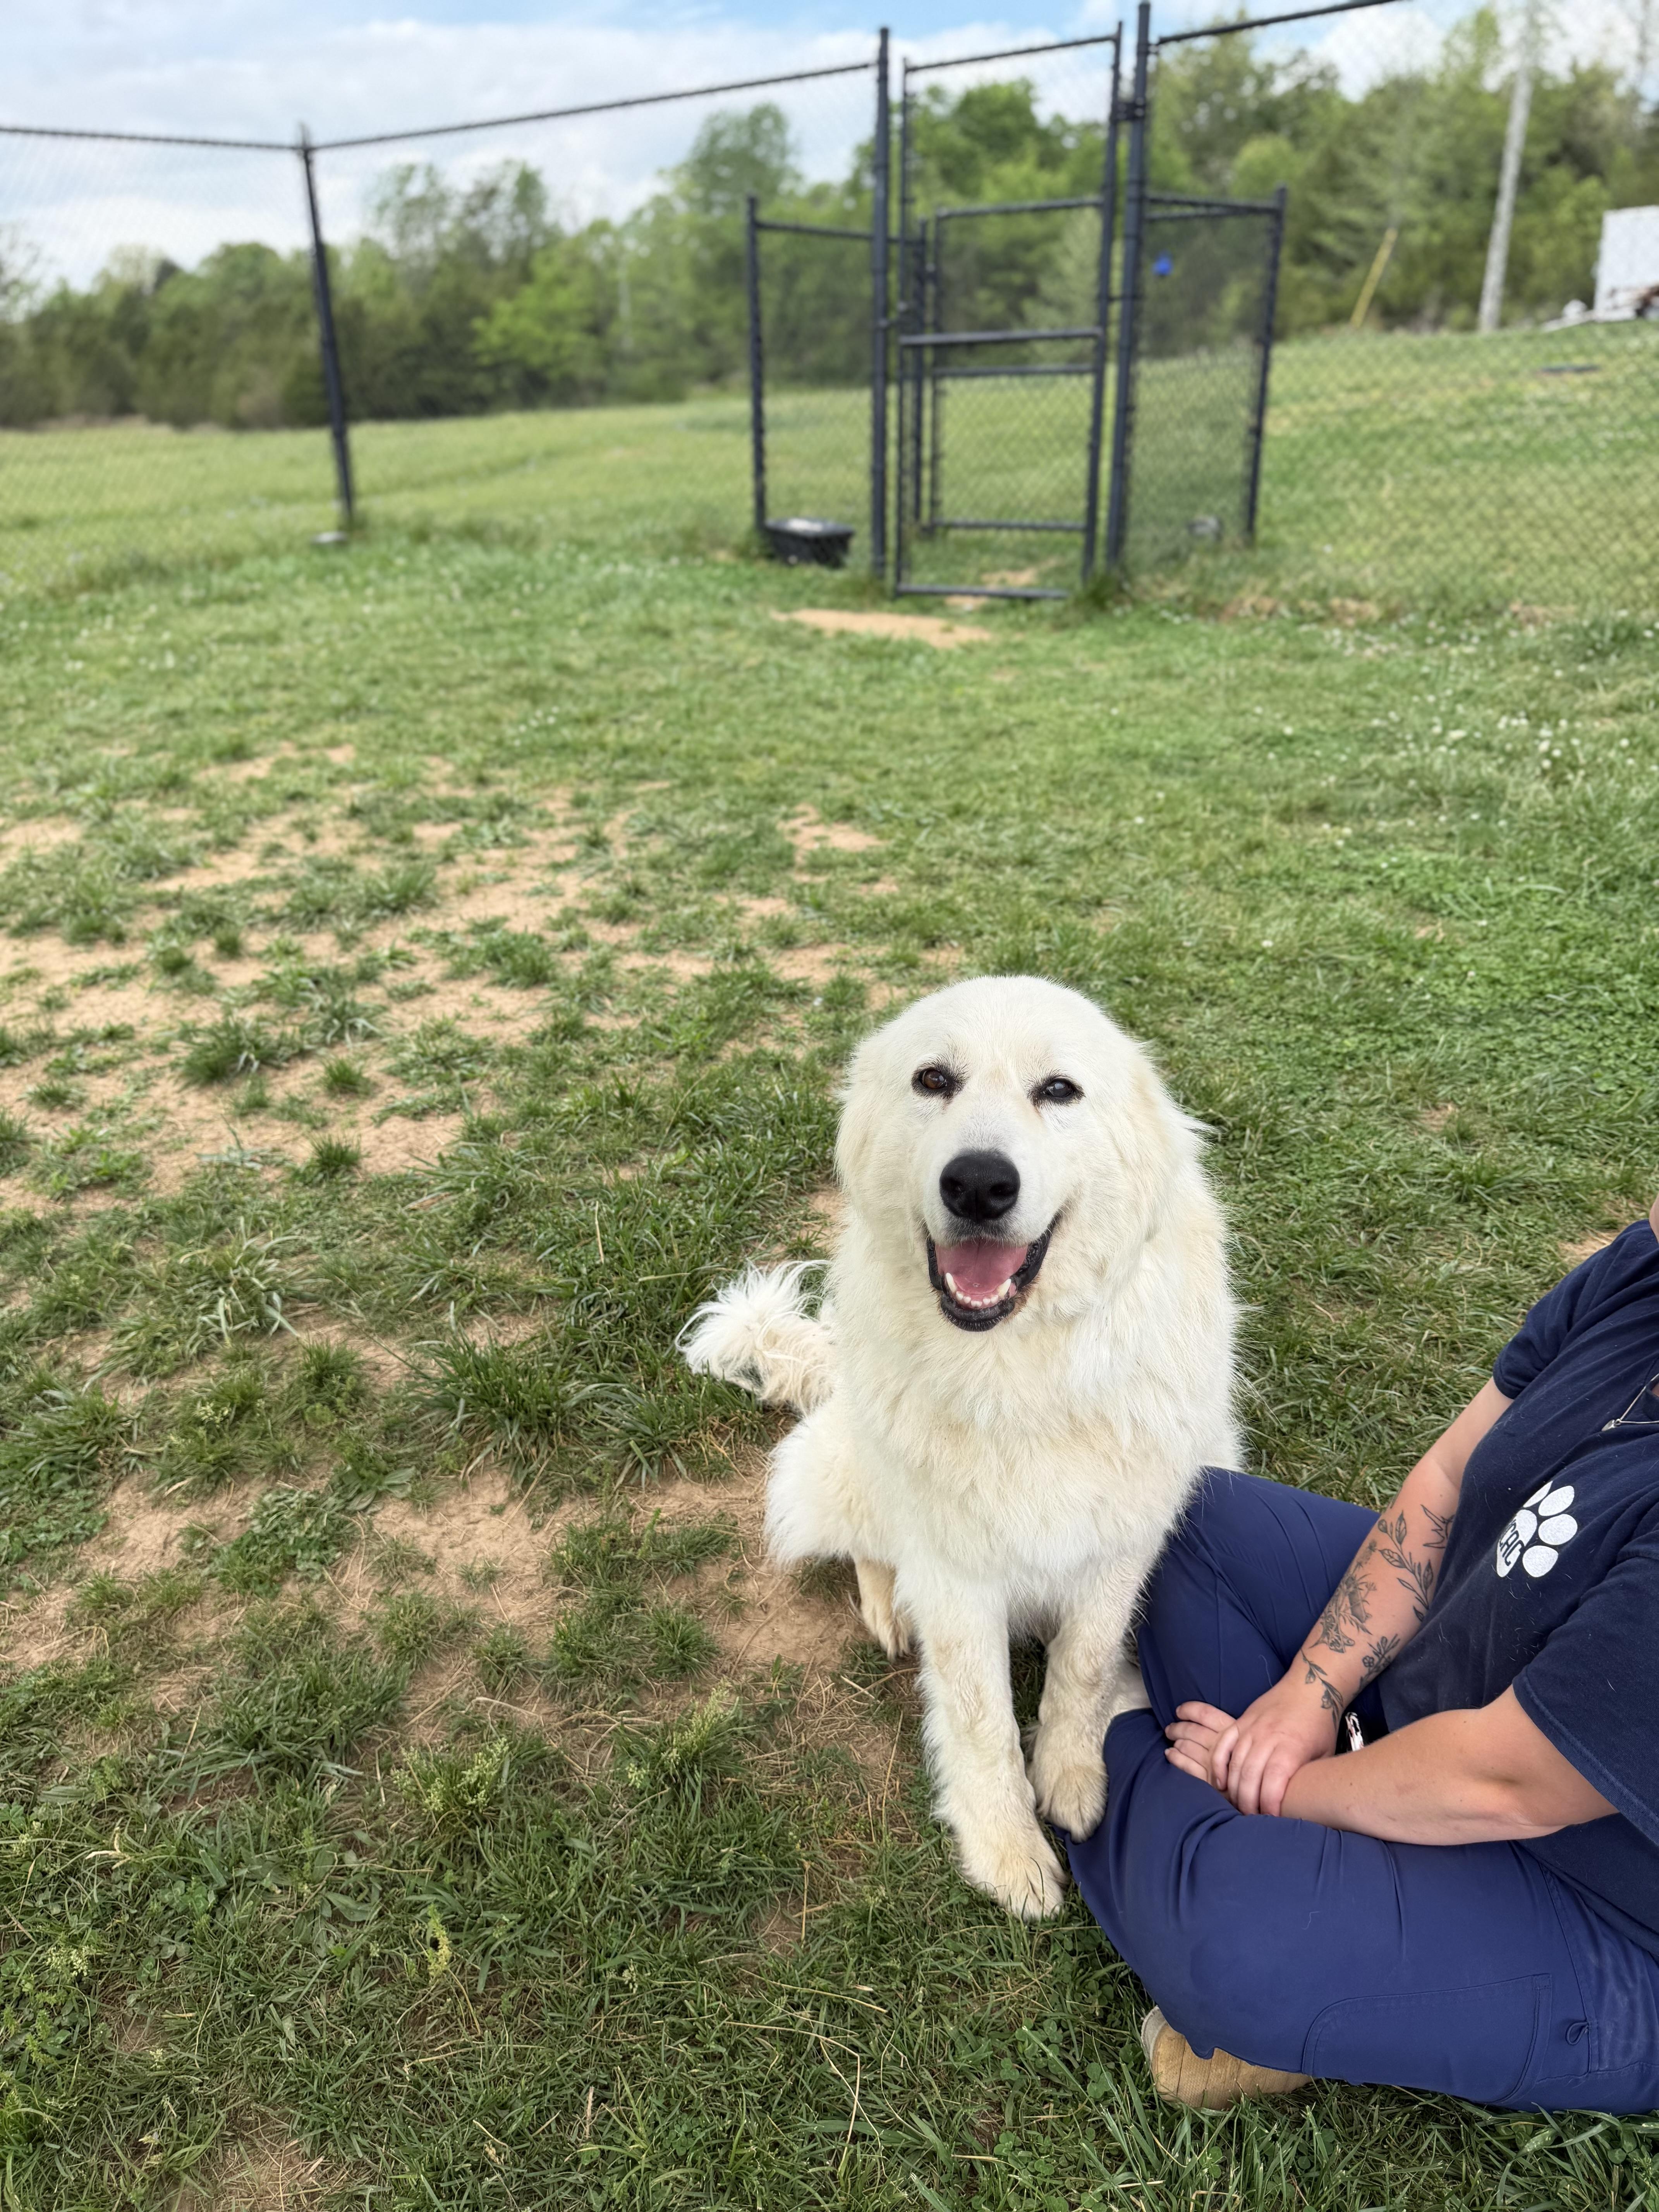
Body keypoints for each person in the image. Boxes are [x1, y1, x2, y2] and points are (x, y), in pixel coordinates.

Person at [1067, 1197, 1659, 2113]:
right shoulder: (1640, 1265)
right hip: (1465, 1648)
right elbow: (1451, 1475)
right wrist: (1309, 1691)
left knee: (1234, 1943)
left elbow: (1512, 1782)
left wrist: (1268, 1784)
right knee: (1184, 1520)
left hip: (1598, 1898)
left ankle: (1122, 1744)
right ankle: (1306, 1868)